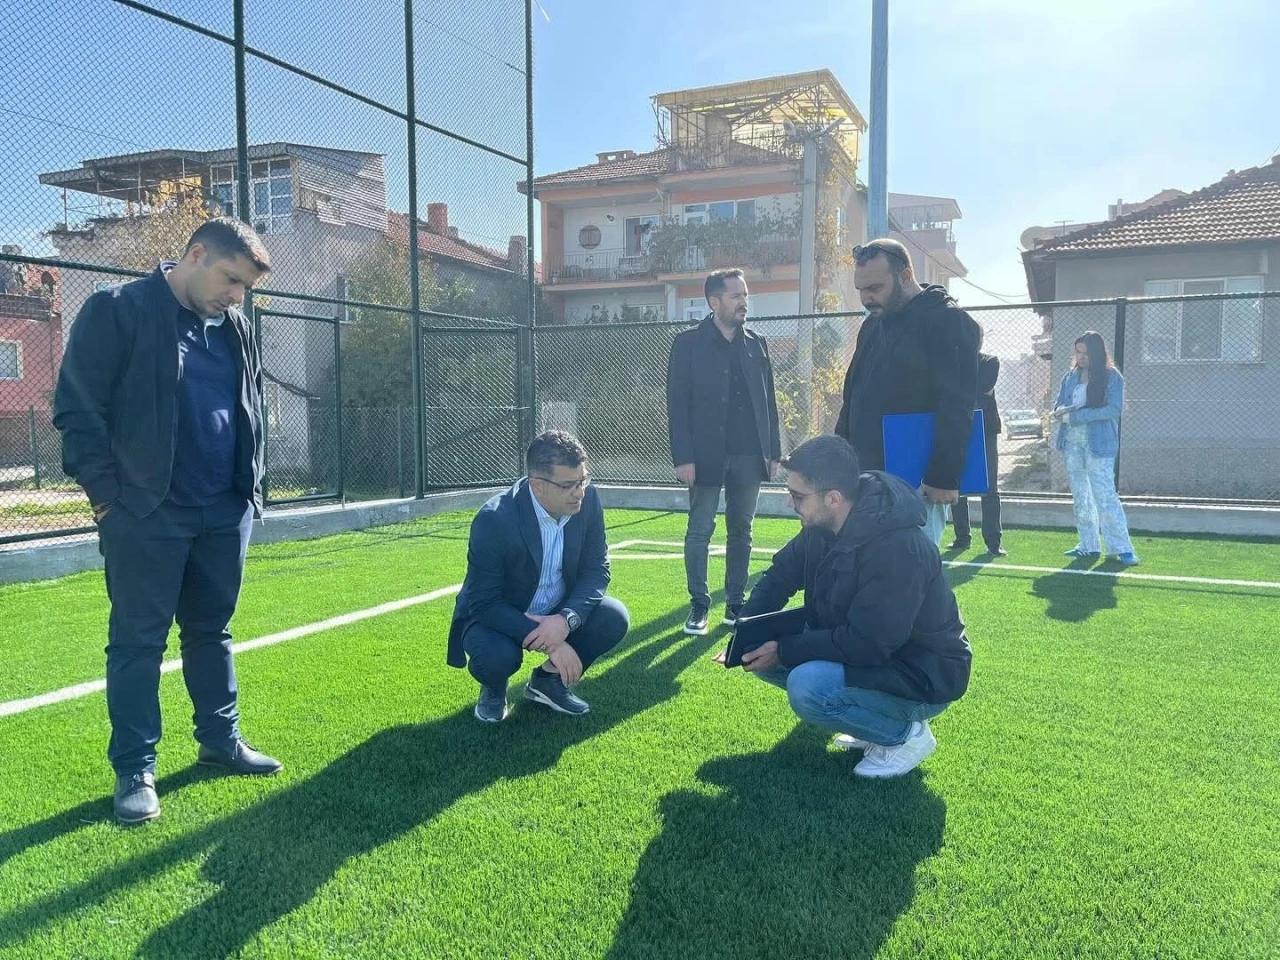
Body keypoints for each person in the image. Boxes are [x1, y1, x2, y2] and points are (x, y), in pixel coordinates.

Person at [53, 218, 280, 825]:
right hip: (145, 513)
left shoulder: (235, 326)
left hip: (223, 510)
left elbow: (251, 404)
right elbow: (77, 409)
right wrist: (107, 500)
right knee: (138, 642)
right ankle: (135, 768)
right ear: (195, 254)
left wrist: (249, 491)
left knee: (212, 631)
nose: (236, 296)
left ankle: (220, 741)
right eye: (231, 279)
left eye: (245, 288)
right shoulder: (118, 310)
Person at [735, 436, 972, 779]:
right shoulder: (822, 524)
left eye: (798, 496)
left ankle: (906, 735)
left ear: (832, 498)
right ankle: (872, 722)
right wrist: (745, 631)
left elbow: (869, 643)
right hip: (875, 653)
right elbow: (778, 578)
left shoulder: (899, 548)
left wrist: (784, 649)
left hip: (923, 673)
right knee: (758, 653)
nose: (790, 503)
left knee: (807, 686)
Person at [448, 431, 630, 723]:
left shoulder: (588, 500)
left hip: (557, 608)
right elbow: (484, 602)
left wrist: (566, 619)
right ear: (538, 486)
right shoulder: (494, 519)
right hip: (502, 614)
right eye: (568, 485)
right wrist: (553, 642)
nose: (579, 492)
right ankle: (494, 687)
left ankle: (548, 682)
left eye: (583, 480)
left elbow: (596, 569)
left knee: (614, 616)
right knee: (497, 657)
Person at [834, 239, 981, 547]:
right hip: (866, 477)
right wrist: (838, 459)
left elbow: (957, 404)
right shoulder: (872, 326)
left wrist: (943, 477)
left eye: (874, 287)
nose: (866, 298)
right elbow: (853, 398)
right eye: (861, 289)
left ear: (904, 276)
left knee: (908, 570)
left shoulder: (947, 320)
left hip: (917, 483)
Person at [666, 268, 781, 636]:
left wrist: (773, 451)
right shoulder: (687, 344)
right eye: (736, 296)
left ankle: (735, 603)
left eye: (745, 295)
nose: (744, 301)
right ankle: (699, 605)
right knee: (700, 530)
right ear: (714, 302)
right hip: (704, 455)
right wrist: (683, 457)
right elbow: (677, 405)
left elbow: (769, 402)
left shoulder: (757, 344)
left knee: (741, 530)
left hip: (750, 454)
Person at [1050, 331, 1138, 565]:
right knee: (1081, 496)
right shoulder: (1070, 377)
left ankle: (1122, 547)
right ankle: (1088, 545)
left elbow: (1113, 409)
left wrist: (1077, 417)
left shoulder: (1112, 377)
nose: (1081, 357)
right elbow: (1060, 402)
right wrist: (1059, 412)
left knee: (1105, 494)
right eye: (1078, 352)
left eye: (1086, 353)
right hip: (1072, 442)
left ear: (1097, 354)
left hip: (1099, 443)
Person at [949, 347, 1005, 555]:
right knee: (956, 483)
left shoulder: (990, 362)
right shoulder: (951, 362)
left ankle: (993, 541)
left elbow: (984, 388)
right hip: (956, 427)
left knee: (990, 486)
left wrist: (959, 390)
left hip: (985, 430)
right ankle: (962, 538)